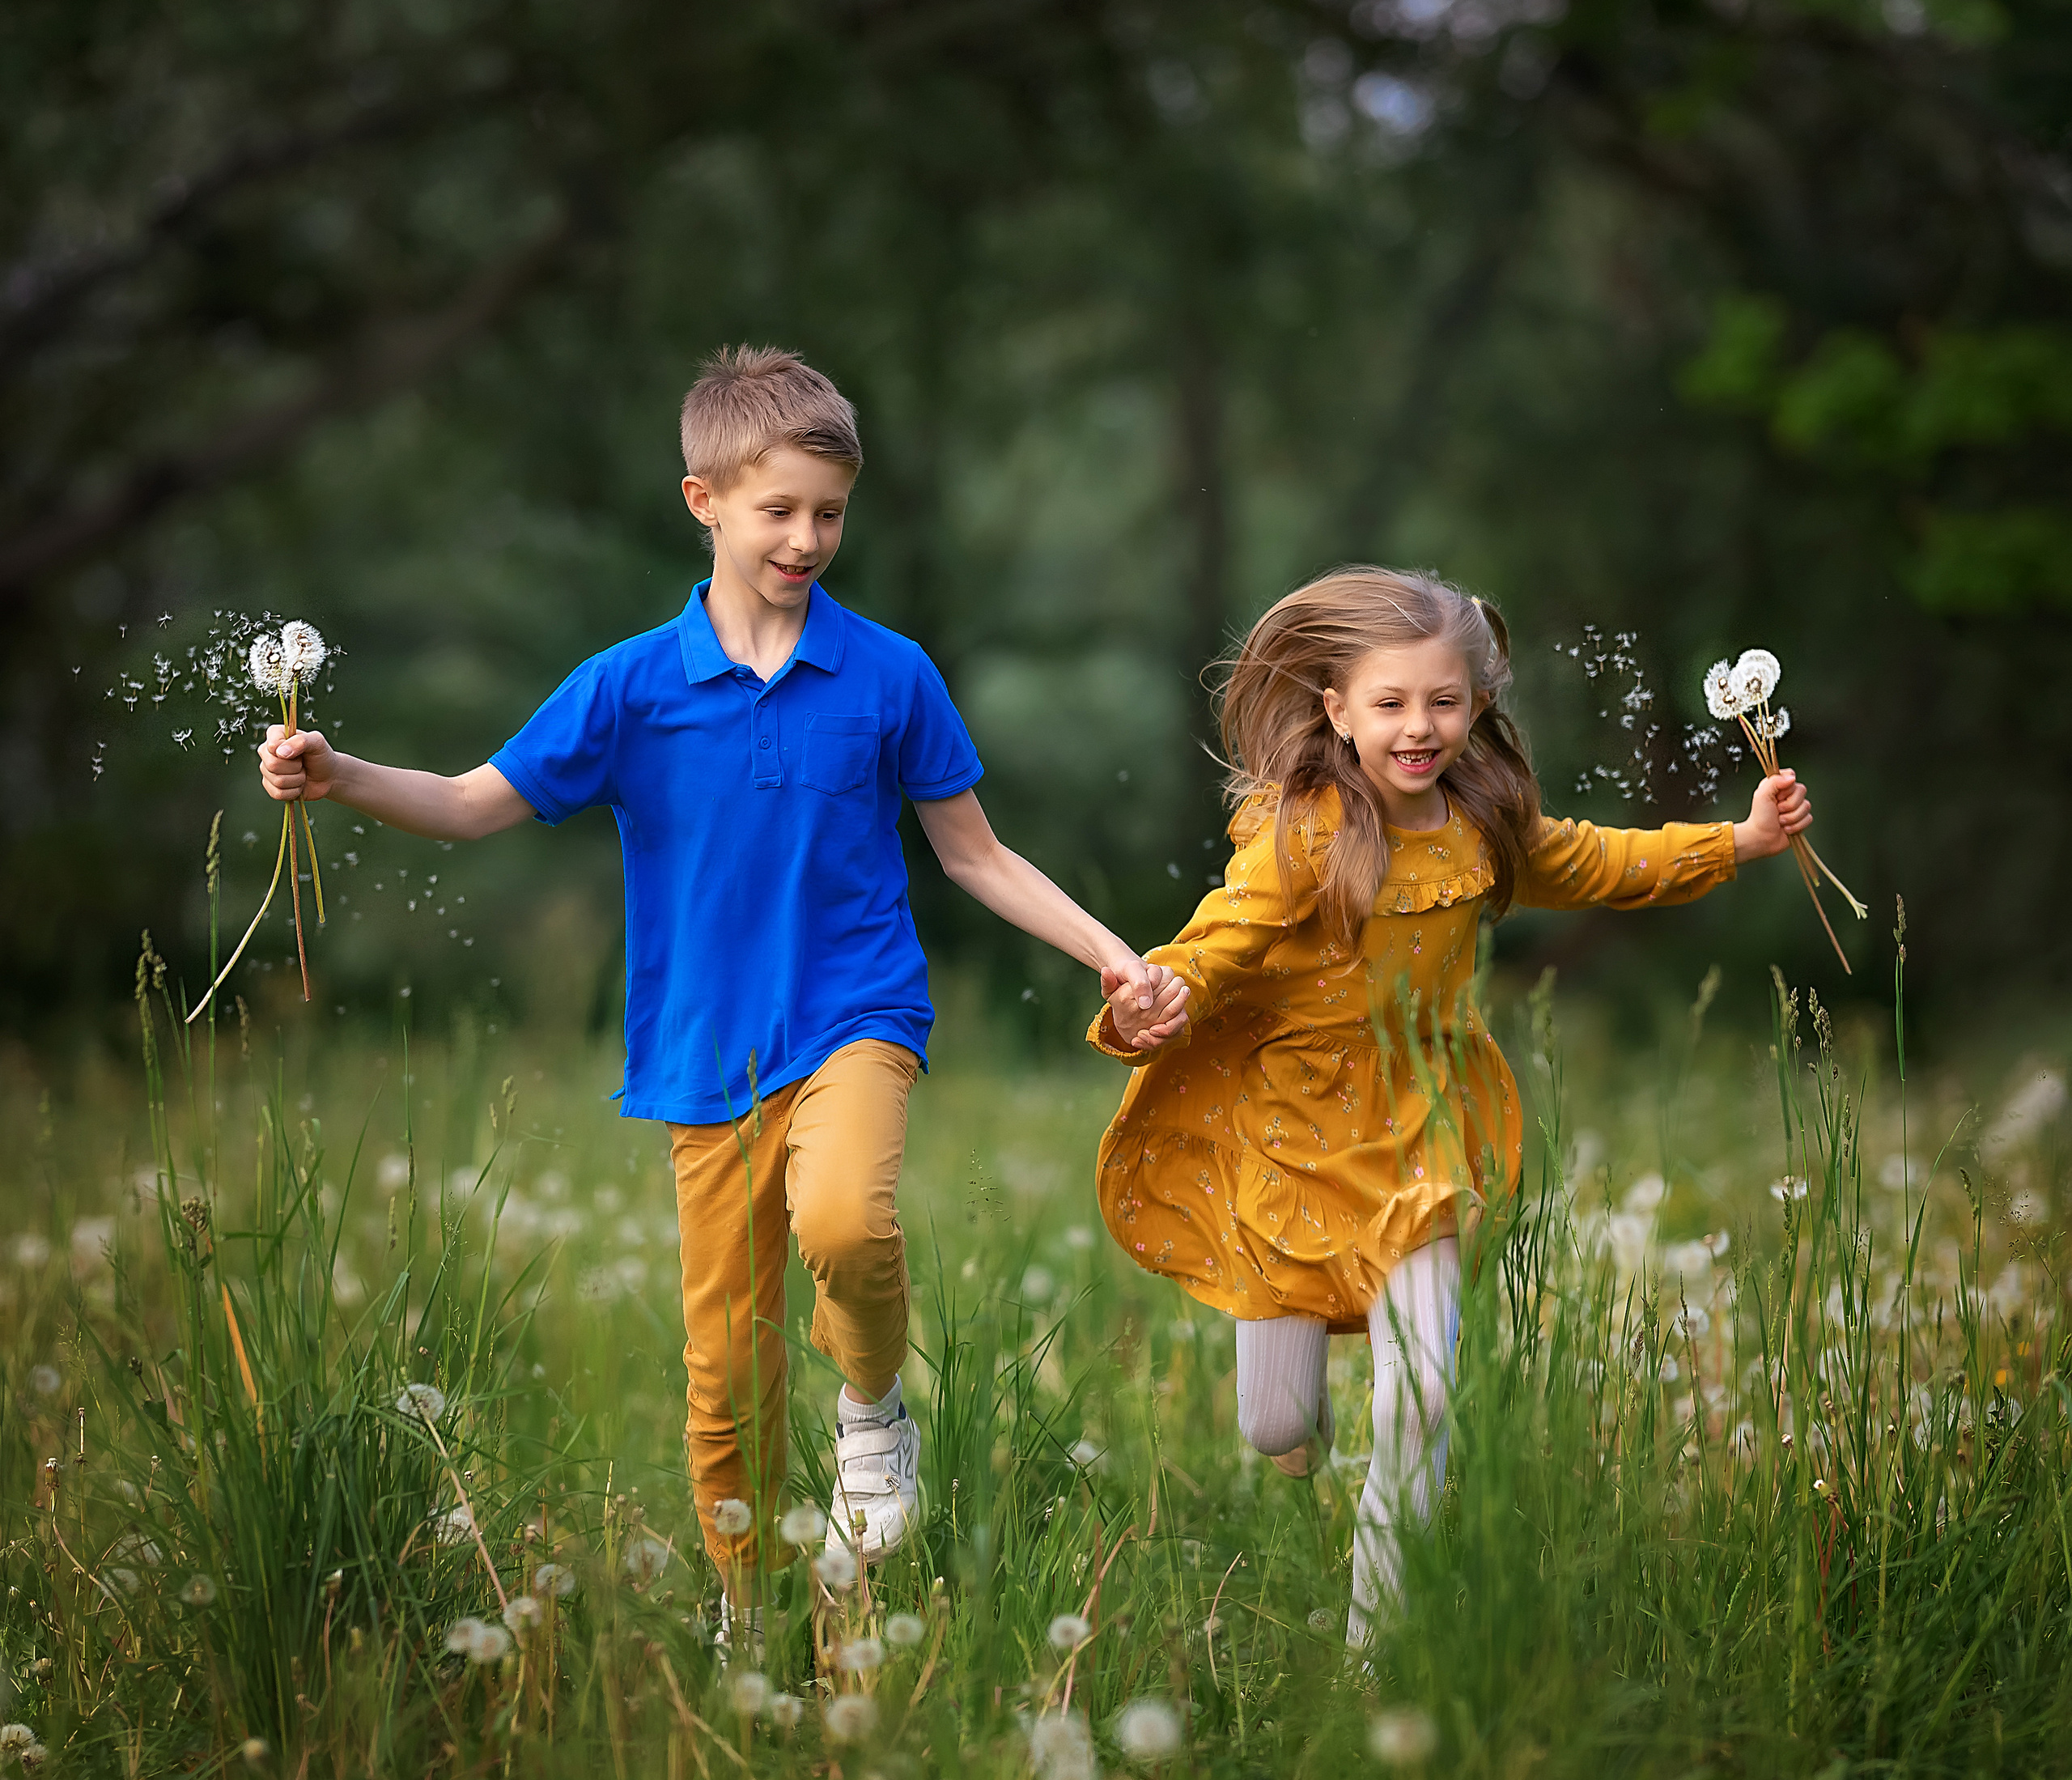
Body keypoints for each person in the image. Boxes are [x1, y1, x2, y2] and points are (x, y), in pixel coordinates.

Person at [258, 346, 1187, 1655]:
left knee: (848, 1222)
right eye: (781, 510)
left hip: (858, 1012)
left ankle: (874, 1416)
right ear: (705, 502)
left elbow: (973, 853)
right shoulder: (631, 686)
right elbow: (474, 804)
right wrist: (338, 770)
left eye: (831, 511)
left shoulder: (889, 674)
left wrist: (1111, 949)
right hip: (705, 1054)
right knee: (726, 1375)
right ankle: (745, 1612)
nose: (809, 538)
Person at [1089, 567, 1814, 1648]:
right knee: (1277, 1425)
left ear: (1477, 702)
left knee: (1421, 1396)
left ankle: (1379, 1648)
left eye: (1444, 700)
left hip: (1429, 1126)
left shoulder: (1485, 822)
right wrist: (1157, 997)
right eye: (1390, 704)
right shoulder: (1306, 836)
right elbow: (1220, 936)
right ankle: (1299, 1431)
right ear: (1336, 709)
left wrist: (1739, 841)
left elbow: (1600, 860)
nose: (1419, 728)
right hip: (1295, 1139)